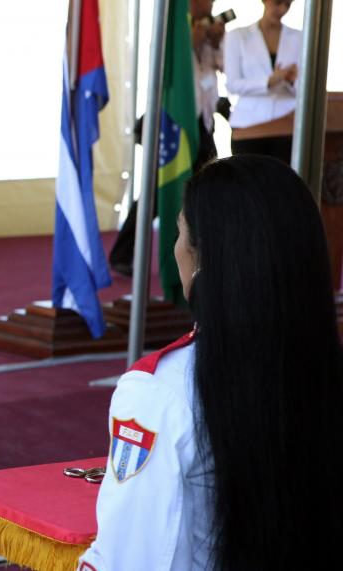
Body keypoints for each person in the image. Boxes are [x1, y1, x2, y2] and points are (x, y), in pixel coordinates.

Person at [77, 155, 343, 570]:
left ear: (205, 259)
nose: (175, 247)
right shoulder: (324, 366)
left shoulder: (159, 392)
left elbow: (132, 558)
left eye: (180, 232)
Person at [108, 0, 223, 276]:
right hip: (171, 123)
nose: (207, 5)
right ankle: (123, 252)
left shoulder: (212, 32)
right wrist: (189, 42)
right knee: (156, 192)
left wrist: (214, 42)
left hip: (203, 119)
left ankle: (198, 253)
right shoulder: (172, 34)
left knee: (208, 186)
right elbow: (162, 73)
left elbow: (225, 66)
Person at [224, 0, 301, 164]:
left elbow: (306, 85)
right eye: (278, 2)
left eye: (287, 5)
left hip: (286, 124)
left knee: (283, 183)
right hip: (248, 123)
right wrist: (269, 81)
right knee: (248, 183)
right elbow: (232, 84)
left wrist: (292, 81)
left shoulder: (300, 37)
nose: (281, 9)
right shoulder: (237, 35)